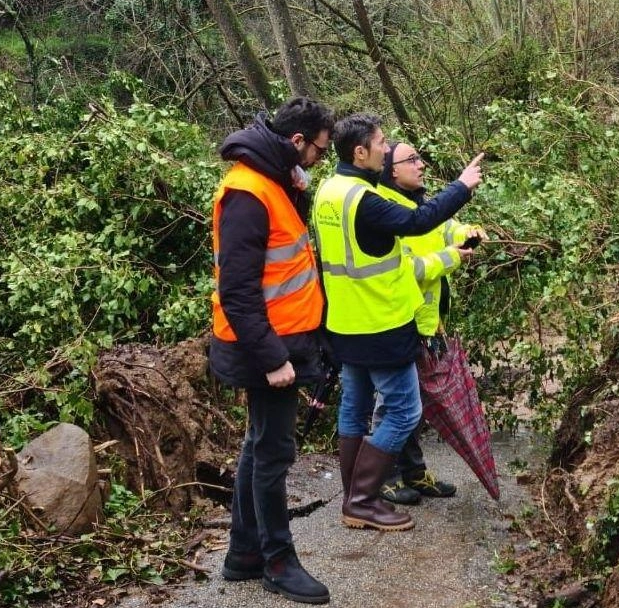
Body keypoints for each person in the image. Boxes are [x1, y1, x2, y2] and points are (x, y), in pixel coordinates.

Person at [311, 113, 483, 531]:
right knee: (404, 413)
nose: (387, 151)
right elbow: (415, 222)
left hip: (344, 321)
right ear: (360, 152)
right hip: (381, 322)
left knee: (354, 409)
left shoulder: (328, 190)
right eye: (382, 143)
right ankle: (364, 500)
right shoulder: (364, 199)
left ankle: (354, 496)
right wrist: (462, 187)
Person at [209, 97, 334, 605]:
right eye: (320, 152)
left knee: (258, 444)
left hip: (283, 340)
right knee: (273, 452)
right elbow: (238, 291)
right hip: (266, 349)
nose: (321, 161)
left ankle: (242, 554)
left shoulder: (273, 182)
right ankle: (277, 561)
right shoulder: (248, 192)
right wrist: (274, 359)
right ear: (297, 142)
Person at [374, 141, 486, 505]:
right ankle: (382, 477)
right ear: (391, 169)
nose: (421, 165)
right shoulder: (389, 212)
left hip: (425, 324)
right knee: (392, 405)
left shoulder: (419, 204)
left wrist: (469, 233)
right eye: (412, 160)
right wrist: (451, 258)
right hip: (398, 322)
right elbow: (409, 270)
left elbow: (446, 226)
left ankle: (414, 472)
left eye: (420, 158)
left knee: (414, 405)